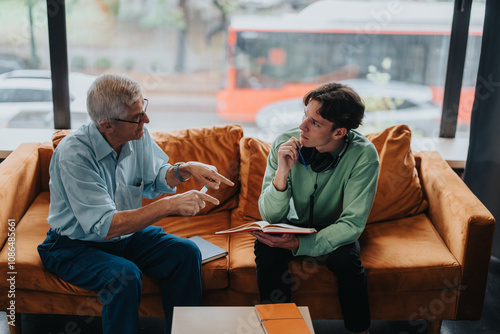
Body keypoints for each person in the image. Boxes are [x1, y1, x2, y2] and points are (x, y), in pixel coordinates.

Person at [37, 73, 234, 334]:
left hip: (125, 238)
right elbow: (106, 226)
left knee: (186, 253)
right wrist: (171, 205)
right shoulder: (75, 155)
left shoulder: (136, 135)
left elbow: (157, 177)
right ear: (107, 125)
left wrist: (185, 169)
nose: (147, 120)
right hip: (73, 246)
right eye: (137, 117)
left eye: (144, 109)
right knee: (124, 276)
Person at [251, 82, 379, 334]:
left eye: (315, 123)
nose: (302, 127)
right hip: (291, 223)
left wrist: (303, 245)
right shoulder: (284, 143)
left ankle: (359, 330)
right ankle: (280, 330)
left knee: (347, 260)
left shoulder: (364, 156)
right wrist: (282, 172)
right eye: (304, 116)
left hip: (334, 226)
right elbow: (269, 215)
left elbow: (352, 223)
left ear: (339, 132)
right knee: (266, 249)